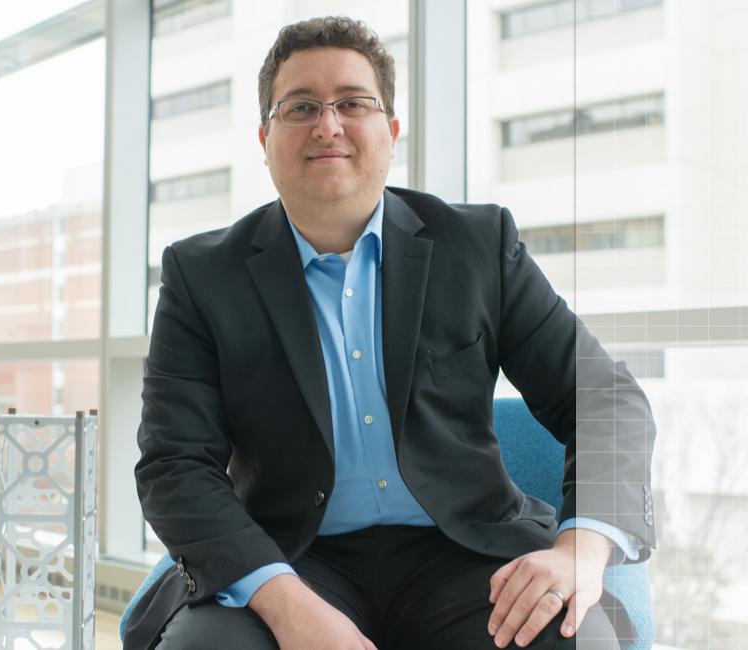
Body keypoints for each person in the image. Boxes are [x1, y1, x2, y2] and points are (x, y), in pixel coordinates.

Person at [127, 16, 656, 650]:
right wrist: (287, 604)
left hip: (468, 553)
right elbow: (175, 464)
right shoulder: (200, 274)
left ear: (391, 130)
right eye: (301, 107)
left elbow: (605, 399)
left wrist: (579, 548)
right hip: (290, 557)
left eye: (353, 102)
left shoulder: (477, 246)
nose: (328, 125)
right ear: (265, 138)